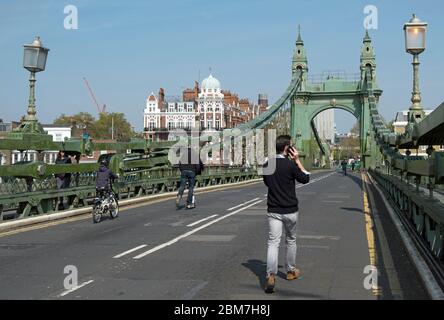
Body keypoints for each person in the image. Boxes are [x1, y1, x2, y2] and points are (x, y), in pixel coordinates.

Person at [262, 135, 310, 294]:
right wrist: (297, 160)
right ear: (288, 148)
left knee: (273, 242)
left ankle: (270, 275)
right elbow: (305, 179)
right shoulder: (291, 165)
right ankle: (290, 271)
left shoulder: (267, 164)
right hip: (290, 210)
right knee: (291, 240)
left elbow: (267, 183)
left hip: (274, 210)